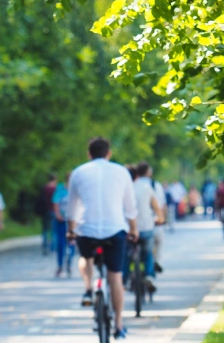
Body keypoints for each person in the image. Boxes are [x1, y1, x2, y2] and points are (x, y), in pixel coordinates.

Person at [67, 137, 138, 340]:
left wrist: (71, 230)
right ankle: (118, 324)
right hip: (115, 230)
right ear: (109, 153)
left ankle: (89, 289)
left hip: (86, 230)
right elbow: (130, 207)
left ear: (89, 154)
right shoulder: (121, 172)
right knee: (115, 277)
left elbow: (72, 208)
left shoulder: (78, 173)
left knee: (86, 258)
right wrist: (134, 229)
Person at [125, 162, 164, 292]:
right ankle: (148, 275)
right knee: (148, 252)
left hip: (127, 229)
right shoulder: (146, 187)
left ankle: (124, 279)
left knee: (125, 255)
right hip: (146, 226)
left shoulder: (122, 188)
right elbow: (157, 207)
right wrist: (160, 218)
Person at [51, 174, 75, 277]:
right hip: (62, 220)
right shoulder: (60, 190)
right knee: (61, 244)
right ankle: (60, 265)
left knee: (72, 242)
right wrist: (58, 215)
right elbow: (55, 204)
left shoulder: (76, 191)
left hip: (73, 221)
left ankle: (69, 263)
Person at [40, 174, 58, 256]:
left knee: (45, 230)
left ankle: (45, 247)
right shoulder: (56, 189)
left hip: (45, 211)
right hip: (54, 211)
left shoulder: (44, 188)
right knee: (54, 231)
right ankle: (53, 248)